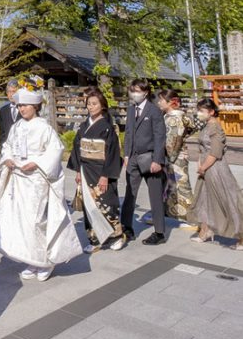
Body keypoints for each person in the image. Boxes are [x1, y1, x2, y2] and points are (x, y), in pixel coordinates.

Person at [0, 77, 82, 281]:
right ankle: (31, 260)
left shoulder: (44, 127)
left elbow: (55, 150)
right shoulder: (17, 127)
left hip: (36, 180)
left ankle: (45, 261)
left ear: (36, 106)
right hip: (19, 179)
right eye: (20, 105)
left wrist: (38, 163)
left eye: (26, 106)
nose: (22, 109)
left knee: (36, 220)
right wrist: (9, 159)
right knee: (20, 220)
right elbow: (7, 146)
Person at [67, 88, 125, 253]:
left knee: (106, 204)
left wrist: (106, 175)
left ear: (102, 106)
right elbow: (77, 148)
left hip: (101, 170)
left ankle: (117, 236)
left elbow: (113, 152)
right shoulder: (85, 125)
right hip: (86, 169)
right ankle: (95, 239)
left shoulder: (108, 127)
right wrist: (78, 170)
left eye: (94, 104)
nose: (91, 107)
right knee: (89, 206)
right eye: (89, 104)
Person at [187, 98, 243, 248]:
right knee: (204, 199)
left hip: (216, 169)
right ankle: (205, 231)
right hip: (206, 168)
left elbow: (216, 152)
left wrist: (203, 167)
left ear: (211, 112)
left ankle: (241, 236)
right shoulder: (206, 126)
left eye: (202, 111)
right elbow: (202, 148)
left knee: (228, 201)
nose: (199, 113)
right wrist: (200, 164)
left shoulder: (215, 128)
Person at [120, 79, 167, 245]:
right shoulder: (131, 109)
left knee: (154, 195)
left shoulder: (154, 110)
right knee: (130, 193)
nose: (134, 93)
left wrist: (157, 160)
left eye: (137, 90)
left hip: (150, 158)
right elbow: (128, 133)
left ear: (145, 92)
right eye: (132, 90)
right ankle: (126, 227)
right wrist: (126, 155)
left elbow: (160, 136)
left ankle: (159, 232)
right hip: (133, 158)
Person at [157, 88, 195, 227]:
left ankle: (192, 217)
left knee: (182, 186)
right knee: (172, 187)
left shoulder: (175, 117)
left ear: (170, 102)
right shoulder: (175, 116)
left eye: (161, 100)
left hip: (175, 157)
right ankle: (178, 214)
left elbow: (173, 141)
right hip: (175, 155)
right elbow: (190, 128)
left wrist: (166, 155)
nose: (159, 102)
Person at [0, 79, 21, 147]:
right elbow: (2, 133)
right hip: (8, 149)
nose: (11, 95)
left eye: (14, 91)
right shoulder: (3, 110)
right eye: (9, 92)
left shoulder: (25, 109)